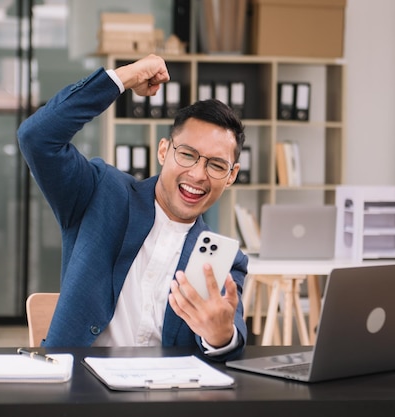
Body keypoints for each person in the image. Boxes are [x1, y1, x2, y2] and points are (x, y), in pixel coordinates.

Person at [17, 54, 248, 361]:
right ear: (164, 150)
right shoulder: (101, 193)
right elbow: (37, 137)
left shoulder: (219, 257)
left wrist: (221, 337)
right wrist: (122, 79)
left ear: (231, 175)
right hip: (81, 391)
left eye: (217, 165)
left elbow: (225, 333)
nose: (197, 175)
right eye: (188, 155)